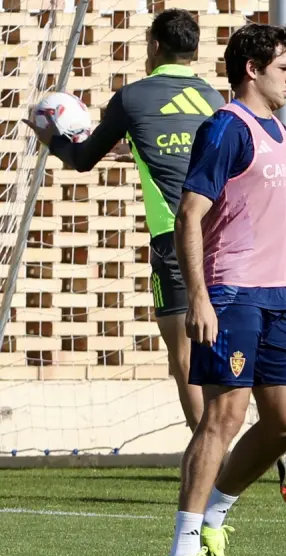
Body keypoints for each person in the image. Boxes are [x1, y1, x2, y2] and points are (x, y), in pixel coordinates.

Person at [25, 9, 222, 435]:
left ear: (154, 46)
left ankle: (213, 454)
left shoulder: (132, 99)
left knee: (184, 357)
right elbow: (184, 151)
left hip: (174, 239)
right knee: (222, 348)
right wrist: (134, 147)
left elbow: (82, 159)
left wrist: (51, 139)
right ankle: (247, 440)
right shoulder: (214, 100)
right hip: (222, 237)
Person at [162, 24, 286, 556]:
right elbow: (189, 215)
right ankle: (183, 552)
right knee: (223, 416)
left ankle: (215, 516)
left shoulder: (281, 132)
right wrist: (199, 297)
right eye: (285, 68)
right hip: (231, 293)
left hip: (278, 297)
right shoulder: (227, 127)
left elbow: (273, 222)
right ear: (252, 69)